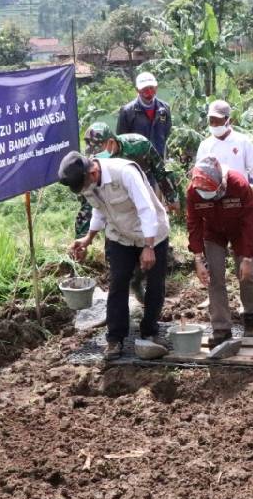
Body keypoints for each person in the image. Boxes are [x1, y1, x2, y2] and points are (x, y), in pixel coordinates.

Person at [60, 150, 170, 360]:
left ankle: (150, 331)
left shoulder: (124, 173)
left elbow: (146, 209)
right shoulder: (88, 183)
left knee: (155, 283)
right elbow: (99, 210)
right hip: (120, 236)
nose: (84, 191)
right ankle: (115, 338)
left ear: (92, 172)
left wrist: (149, 247)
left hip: (151, 233)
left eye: (84, 186)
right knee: (118, 282)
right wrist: (88, 238)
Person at [197, 98, 253, 307]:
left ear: (229, 120)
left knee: (247, 250)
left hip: (240, 205)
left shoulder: (243, 142)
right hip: (214, 206)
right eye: (211, 121)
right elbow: (199, 175)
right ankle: (214, 297)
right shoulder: (205, 145)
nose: (214, 125)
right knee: (214, 257)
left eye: (217, 120)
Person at [186, 156, 253, 347]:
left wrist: (247, 257)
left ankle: (250, 318)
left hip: (239, 231)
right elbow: (194, 224)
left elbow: (251, 223)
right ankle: (221, 328)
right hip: (213, 234)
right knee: (214, 277)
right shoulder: (193, 191)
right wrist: (198, 258)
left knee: (246, 274)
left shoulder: (239, 184)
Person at [116, 72, 172, 157]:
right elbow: (121, 140)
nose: (149, 92)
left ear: (156, 88)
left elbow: (167, 134)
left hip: (159, 159)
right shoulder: (127, 111)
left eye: (151, 88)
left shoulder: (164, 109)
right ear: (137, 89)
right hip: (137, 160)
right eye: (145, 89)